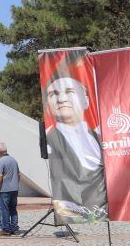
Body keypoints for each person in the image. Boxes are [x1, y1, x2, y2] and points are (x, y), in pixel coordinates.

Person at [43, 76, 107, 221]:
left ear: (86, 101)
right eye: (53, 94)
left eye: (69, 92)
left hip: (100, 206)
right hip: (71, 209)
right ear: (47, 105)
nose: (61, 99)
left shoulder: (102, 139)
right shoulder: (50, 141)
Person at [0, 143, 21, 236]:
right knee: (13, 209)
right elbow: (19, 174)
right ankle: (14, 228)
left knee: (4, 209)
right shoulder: (14, 160)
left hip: (4, 190)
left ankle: (5, 229)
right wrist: (15, 184)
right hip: (14, 189)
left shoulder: (1, 161)